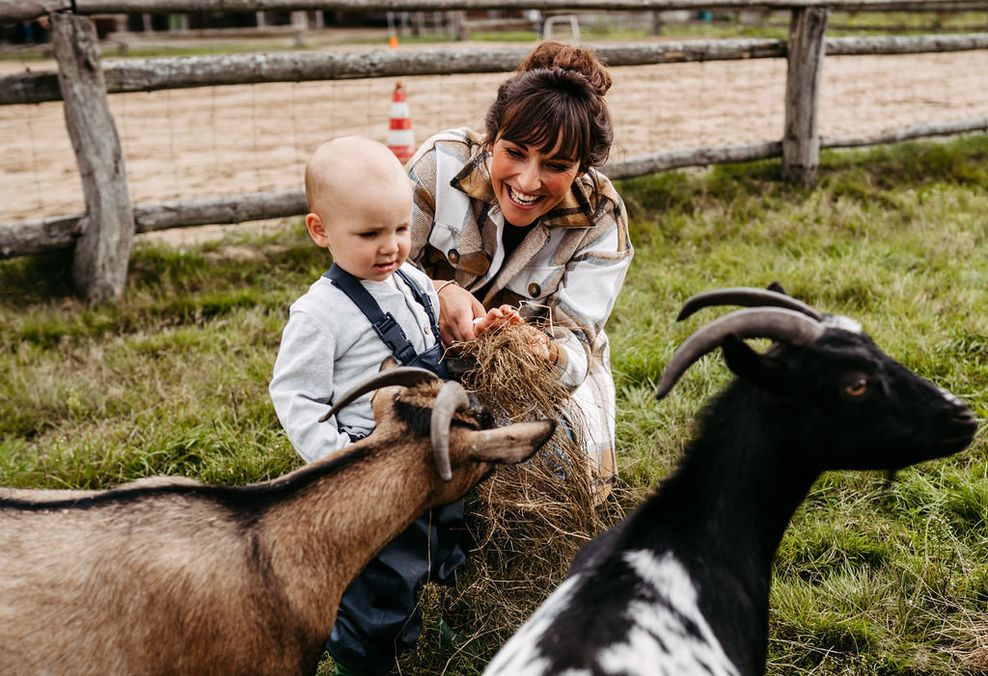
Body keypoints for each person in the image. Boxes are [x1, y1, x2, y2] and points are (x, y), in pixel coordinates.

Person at [270, 136, 508, 676]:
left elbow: (436, 345)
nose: (391, 247)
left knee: (442, 533)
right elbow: (295, 397)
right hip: (372, 462)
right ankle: (367, 652)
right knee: (384, 565)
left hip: (432, 446)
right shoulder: (320, 314)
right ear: (320, 231)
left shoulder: (413, 281)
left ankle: (433, 608)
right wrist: (339, 461)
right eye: (370, 234)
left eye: (401, 230)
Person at [407, 41, 633, 498]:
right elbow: (369, 275)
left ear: (582, 169)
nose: (528, 182)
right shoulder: (438, 164)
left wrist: (541, 351)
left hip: (533, 376)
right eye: (514, 152)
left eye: (556, 165)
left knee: (563, 476)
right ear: (490, 140)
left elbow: (576, 345)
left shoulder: (602, 218)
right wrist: (437, 292)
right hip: (422, 347)